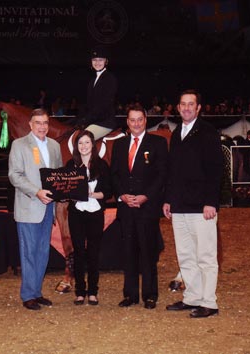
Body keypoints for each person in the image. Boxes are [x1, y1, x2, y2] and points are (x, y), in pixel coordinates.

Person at [163, 89, 223, 318]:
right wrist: (168, 199)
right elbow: (172, 172)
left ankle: (209, 302)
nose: (186, 108)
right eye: (183, 104)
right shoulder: (177, 133)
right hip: (179, 206)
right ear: (178, 108)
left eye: (191, 104)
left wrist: (211, 202)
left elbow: (216, 170)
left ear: (198, 108)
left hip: (201, 207)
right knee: (186, 255)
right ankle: (192, 297)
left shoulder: (208, 132)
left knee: (206, 256)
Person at [111, 104, 168, 309]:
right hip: (126, 208)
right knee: (128, 252)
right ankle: (130, 295)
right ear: (127, 122)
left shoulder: (158, 143)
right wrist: (122, 195)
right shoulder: (119, 145)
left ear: (146, 120)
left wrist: (146, 196)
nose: (136, 123)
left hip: (147, 207)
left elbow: (162, 175)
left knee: (148, 252)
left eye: (140, 119)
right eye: (132, 120)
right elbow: (114, 175)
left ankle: (150, 295)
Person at [8, 108, 63, 310]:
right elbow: (15, 175)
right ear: (30, 125)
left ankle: (37, 292)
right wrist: (36, 192)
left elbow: (58, 177)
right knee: (29, 252)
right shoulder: (19, 145)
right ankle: (28, 294)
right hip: (29, 206)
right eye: (38, 123)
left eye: (45, 123)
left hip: (48, 208)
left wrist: (58, 195)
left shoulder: (55, 146)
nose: (42, 126)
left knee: (42, 252)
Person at [66, 130, 111, 306]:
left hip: (95, 212)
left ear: (93, 144)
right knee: (78, 252)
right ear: (76, 147)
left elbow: (108, 192)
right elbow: (65, 189)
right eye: (80, 143)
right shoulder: (71, 165)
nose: (84, 146)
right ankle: (79, 292)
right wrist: (72, 194)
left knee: (93, 252)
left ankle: (92, 291)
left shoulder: (102, 166)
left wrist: (93, 194)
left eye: (87, 142)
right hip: (76, 213)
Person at [80, 46, 118, 140]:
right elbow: (88, 104)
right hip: (94, 121)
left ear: (106, 61)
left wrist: (86, 119)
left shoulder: (110, 79)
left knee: (84, 139)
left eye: (100, 60)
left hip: (105, 122)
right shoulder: (92, 80)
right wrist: (79, 118)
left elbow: (104, 105)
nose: (97, 63)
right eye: (94, 60)